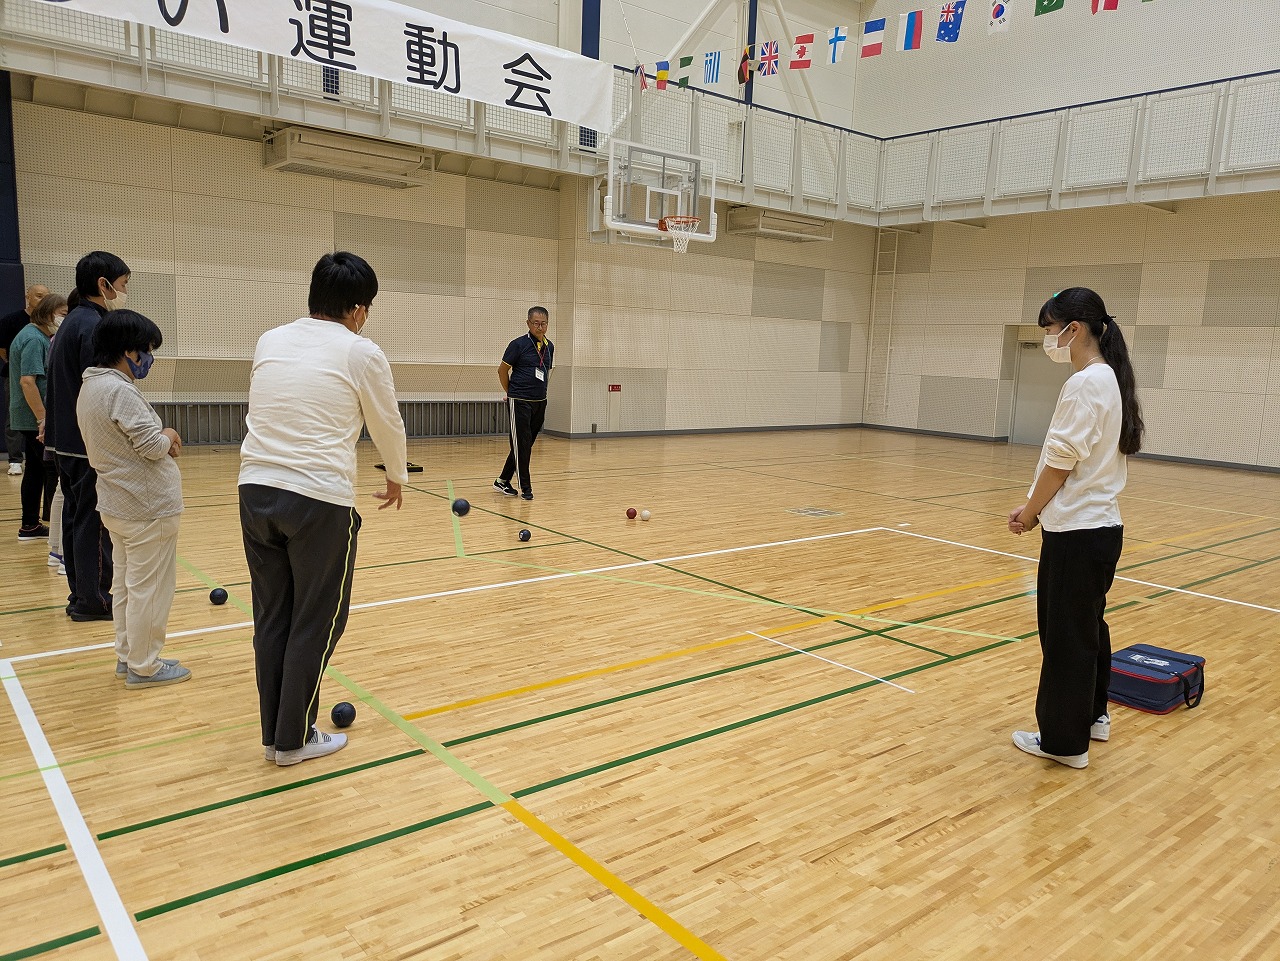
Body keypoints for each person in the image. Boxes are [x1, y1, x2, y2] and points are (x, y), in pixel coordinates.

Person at [239, 252, 407, 766]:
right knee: (316, 619)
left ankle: (274, 735)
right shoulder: (361, 352)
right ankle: (294, 740)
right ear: (358, 309)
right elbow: (386, 420)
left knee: (273, 617)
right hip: (317, 500)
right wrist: (397, 475)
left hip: (254, 491)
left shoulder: (271, 339)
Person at [1008, 287, 1145, 770]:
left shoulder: (1087, 383)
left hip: (1077, 534)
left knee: (1066, 637)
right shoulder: (1109, 380)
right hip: (1102, 529)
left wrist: (1030, 511)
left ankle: (1064, 743)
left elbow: (1061, 462)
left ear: (1074, 329)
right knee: (1089, 628)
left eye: (1050, 329)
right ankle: (1092, 717)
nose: (1048, 338)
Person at [77, 310, 189, 688]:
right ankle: (146, 666)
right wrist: (169, 433)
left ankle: (129, 656)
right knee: (150, 589)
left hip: (118, 505)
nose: (149, 359)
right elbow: (151, 446)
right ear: (128, 351)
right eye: (146, 351)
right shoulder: (118, 390)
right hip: (146, 508)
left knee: (126, 585)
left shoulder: (90, 386)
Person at [45, 252, 131, 621]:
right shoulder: (94, 326)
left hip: (66, 440)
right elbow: (100, 389)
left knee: (75, 519)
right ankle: (94, 600)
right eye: (123, 285)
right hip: (86, 444)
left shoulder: (71, 321)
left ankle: (80, 594)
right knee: (93, 523)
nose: (124, 292)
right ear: (103, 284)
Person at [8, 292, 65, 541]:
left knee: (36, 470)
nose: (66, 319)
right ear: (49, 312)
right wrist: (42, 418)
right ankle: (52, 526)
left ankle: (30, 525)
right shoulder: (33, 338)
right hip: (33, 417)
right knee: (50, 467)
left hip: (31, 416)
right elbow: (27, 381)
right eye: (63, 314)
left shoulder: (40, 336)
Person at [493, 306, 553, 501]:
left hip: (540, 402)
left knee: (524, 445)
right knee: (522, 446)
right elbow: (502, 371)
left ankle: (502, 480)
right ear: (528, 323)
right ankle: (526, 488)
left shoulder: (549, 346)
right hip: (519, 401)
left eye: (543, 323)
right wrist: (510, 394)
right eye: (536, 323)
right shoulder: (518, 345)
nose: (540, 327)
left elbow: (545, 372)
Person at [0, 283, 50, 475]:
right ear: (27, 297)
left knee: (35, 466)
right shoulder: (15, 323)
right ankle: (14, 459)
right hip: (19, 377)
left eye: (46, 296)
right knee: (14, 417)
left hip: (39, 381)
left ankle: (32, 456)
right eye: (38, 296)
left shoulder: (46, 327)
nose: (42, 300)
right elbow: (3, 349)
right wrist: (18, 366)